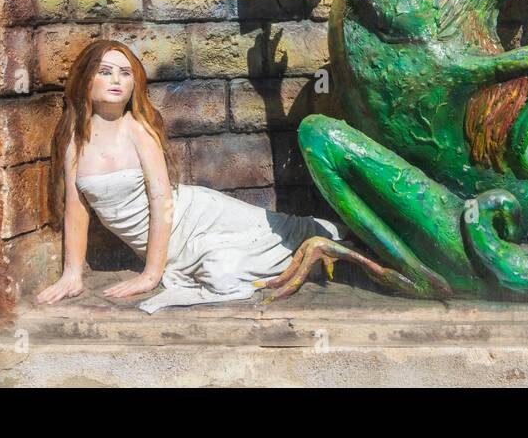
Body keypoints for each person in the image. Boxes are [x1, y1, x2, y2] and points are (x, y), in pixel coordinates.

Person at [35, 39, 342, 313]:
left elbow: (161, 200)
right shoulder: (75, 141)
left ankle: (375, 240)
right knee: (260, 249)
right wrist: (71, 273)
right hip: (181, 240)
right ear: (85, 79)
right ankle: (348, 249)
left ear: (134, 84)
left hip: (196, 214)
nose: (116, 79)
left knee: (291, 229)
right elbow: (76, 207)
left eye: (125, 73)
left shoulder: (138, 131)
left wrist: (151, 274)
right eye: (105, 71)